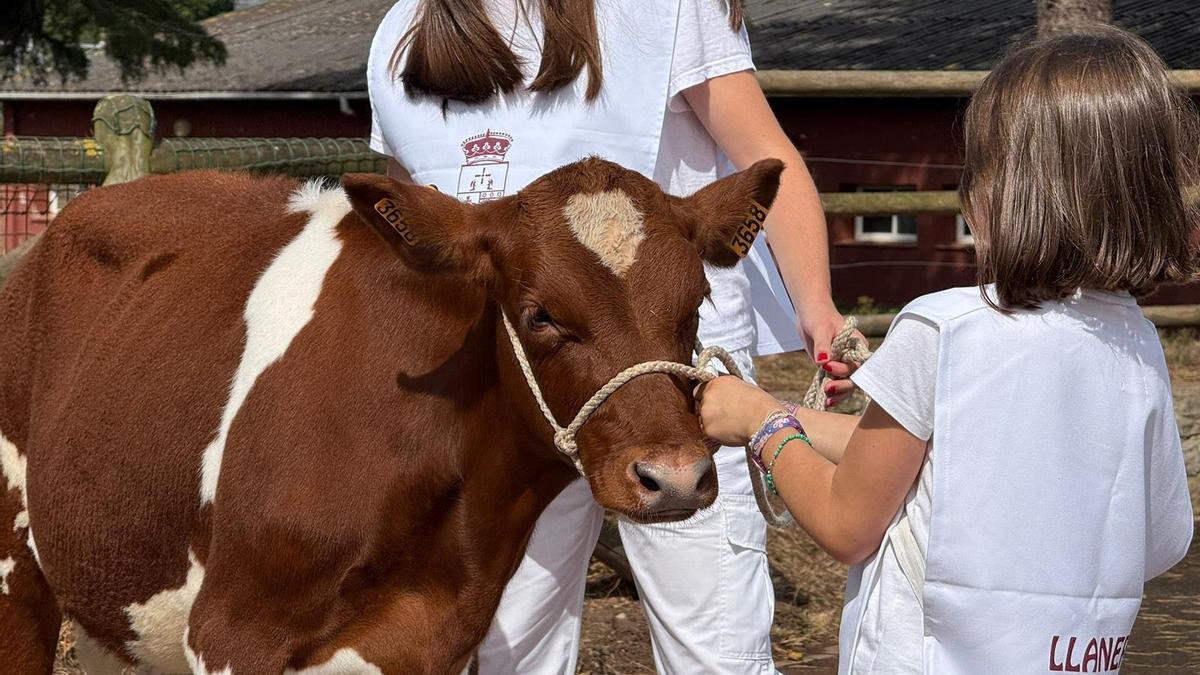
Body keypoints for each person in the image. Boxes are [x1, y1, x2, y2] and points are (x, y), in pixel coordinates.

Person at [367, 0, 851, 671]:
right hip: (516, 389)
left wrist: (816, 303)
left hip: (672, 380)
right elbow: (415, 220)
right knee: (512, 640)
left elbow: (766, 157)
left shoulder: (668, 8)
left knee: (713, 639)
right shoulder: (404, 32)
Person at [697, 25, 1196, 674]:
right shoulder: (1136, 344)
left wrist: (762, 425)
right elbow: (1162, 538)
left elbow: (848, 523)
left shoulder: (944, 329)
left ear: (1008, 192)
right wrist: (788, 411)